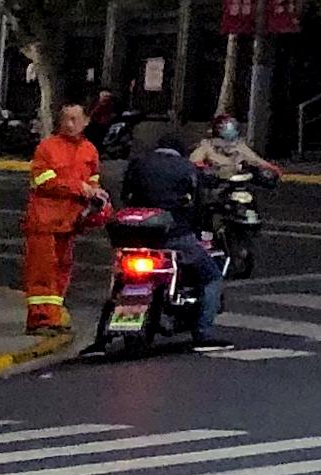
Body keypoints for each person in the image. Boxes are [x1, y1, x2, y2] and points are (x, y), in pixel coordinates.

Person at [121, 130, 230, 347]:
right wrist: (197, 228)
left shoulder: (139, 164)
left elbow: (126, 196)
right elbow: (198, 205)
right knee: (212, 277)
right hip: (174, 237)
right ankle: (203, 331)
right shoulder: (186, 168)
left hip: (135, 237)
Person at [21, 102, 105, 336]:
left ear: (86, 121)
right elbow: (44, 180)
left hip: (69, 221)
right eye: (66, 119)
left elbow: (93, 178)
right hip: (45, 221)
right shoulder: (47, 148)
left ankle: (53, 316)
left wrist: (95, 194)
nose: (69, 124)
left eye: (74, 119)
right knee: (42, 272)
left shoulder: (89, 150)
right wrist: (80, 188)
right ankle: (39, 320)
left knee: (61, 270)